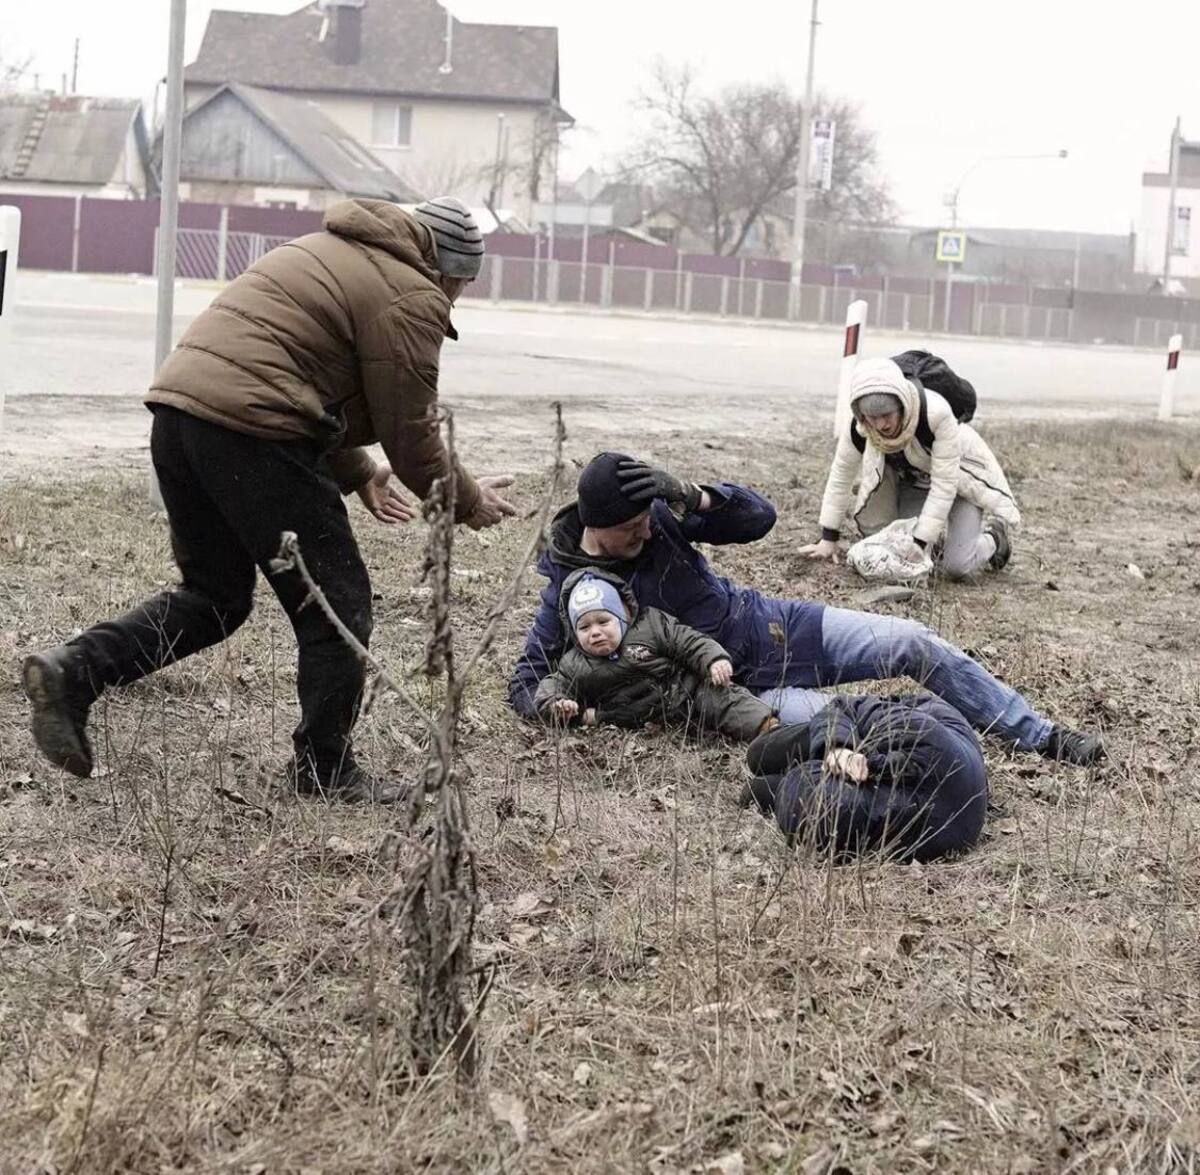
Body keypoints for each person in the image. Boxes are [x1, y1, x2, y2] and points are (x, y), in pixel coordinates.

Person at [22, 196, 516, 803]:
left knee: (214, 596)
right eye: (462, 285)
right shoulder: (411, 292)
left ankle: (74, 670)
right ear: (449, 269)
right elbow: (410, 432)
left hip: (179, 416)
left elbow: (294, 373)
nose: (456, 297)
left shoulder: (324, 251)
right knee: (337, 606)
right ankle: (325, 771)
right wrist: (466, 503)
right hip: (254, 432)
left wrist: (359, 470)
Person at [507, 451, 1104, 766]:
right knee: (859, 722)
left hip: (777, 625)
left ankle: (1043, 736)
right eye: (630, 529)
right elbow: (528, 679)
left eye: (646, 521)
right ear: (595, 526)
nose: (644, 533)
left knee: (912, 641)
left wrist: (697, 496)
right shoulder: (566, 584)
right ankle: (951, 753)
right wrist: (561, 709)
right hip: (739, 694)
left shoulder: (662, 516)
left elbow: (757, 520)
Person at [799, 356, 1019, 579]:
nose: (880, 425)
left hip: (961, 480)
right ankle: (939, 544)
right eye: (872, 417)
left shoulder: (936, 414)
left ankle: (994, 539)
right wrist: (829, 538)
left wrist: (920, 541)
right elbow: (841, 476)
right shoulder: (859, 428)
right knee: (901, 547)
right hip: (917, 482)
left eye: (886, 415)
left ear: (902, 405)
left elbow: (945, 485)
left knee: (956, 567)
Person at [534, 568, 779, 741]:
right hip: (632, 714)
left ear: (623, 616)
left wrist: (714, 659)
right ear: (574, 633)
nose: (595, 632)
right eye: (584, 627)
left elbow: (687, 640)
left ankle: (768, 730)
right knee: (609, 717)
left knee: (721, 698)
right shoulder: (576, 663)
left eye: (603, 621)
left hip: (684, 692)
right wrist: (557, 704)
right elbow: (554, 684)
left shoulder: (649, 625)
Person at [739, 694, 988, 862]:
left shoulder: (872, 811)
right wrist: (838, 746)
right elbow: (845, 706)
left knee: (811, 802)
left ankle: (819, 760)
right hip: (933, 723)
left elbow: (818, 813)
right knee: (761, 753)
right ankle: (828, 749)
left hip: (922, 785)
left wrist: (776, 788)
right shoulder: (918, 727)